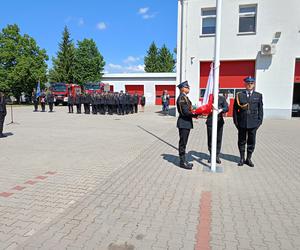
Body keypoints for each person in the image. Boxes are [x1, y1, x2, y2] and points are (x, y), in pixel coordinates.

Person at [233, 76, 263, 167]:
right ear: (244, 84)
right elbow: (235, 110)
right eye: (247, 83)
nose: (249, 85)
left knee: (251, 142)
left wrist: (259, 121)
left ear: (253, 84)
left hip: (253, 123)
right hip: (242, 123)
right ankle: (242, 158)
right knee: (241, 141)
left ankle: (248, 159)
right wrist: (236, 122)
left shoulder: (258, 95)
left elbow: (260, 109)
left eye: (251, 83)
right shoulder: (239, 95)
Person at [176, 81, 197, 169]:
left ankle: (184, 160)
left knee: (184, 142)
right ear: (182, 88)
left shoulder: (185, 97)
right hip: (183, 122)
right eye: (187, 87)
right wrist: (195, 114)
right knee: (183, 143)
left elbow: (189, 109)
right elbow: (185, 112)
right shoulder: (182, 98)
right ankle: (182, 162)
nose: (189, 88)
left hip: (186, 123)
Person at [206, 94, 229, 164]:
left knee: (218, 139)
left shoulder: (222, 98)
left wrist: (221, 109)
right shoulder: (208, 97)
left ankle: (216, 155)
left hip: (219, 122)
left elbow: (226, 108)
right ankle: (211, 155)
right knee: (210, 139)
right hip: (210, 121)